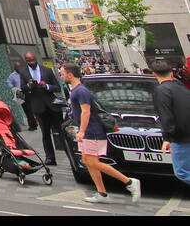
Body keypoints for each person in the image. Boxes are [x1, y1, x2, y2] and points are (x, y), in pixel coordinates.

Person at [62, 61, 139, 203]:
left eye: (62, 74)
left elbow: (86, 112)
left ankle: (129, 182)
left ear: (70, 74)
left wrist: (82, 132)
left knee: (93, 162)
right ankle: (102, 193)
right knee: (87, 161)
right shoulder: (77, 90)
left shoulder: (80, 91)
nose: (62, 76)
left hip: (92, 131)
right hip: (89, 131)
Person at [14, 52, 62, 165]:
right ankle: (50, 157)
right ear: (26, 60)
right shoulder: (23, 72)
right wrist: (29, 86)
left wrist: (46, 86)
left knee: (60, 131)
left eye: (33, 60)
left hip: (52, 105)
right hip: (38, 106)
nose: (32, 62)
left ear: (36, 58)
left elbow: (57, 87)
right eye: (29, 61)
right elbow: (22, 88)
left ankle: (67, 151)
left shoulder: (47, 70)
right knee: (45, 133)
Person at [152, 58, 190, 187]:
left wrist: (167, 138)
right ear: (171, 73)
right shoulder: (182, 88)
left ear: (154, 74)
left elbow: (166, 115)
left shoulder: (161, 91)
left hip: (181, 137)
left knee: (183, 172)